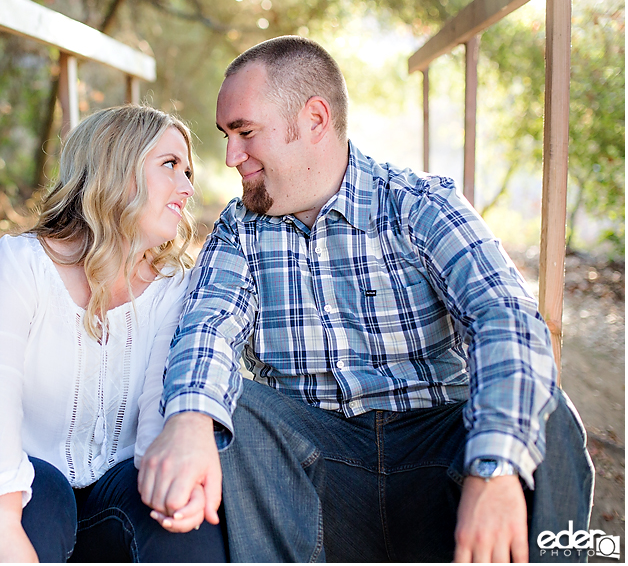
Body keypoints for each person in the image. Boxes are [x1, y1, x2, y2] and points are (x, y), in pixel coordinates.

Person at [138, 36, 594, 562]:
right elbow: (207, 325)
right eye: (226, 136)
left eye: (244, 132)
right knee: (225, 408)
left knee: (546, 413)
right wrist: (190, 419)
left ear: (314, 119)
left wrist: (494, 466)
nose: (230, 157)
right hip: (310, 480)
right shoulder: (240, 231)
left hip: (438, 457)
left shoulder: (420, 204)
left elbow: (504, 319)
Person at [0, 105, 227, 563]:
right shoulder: (18, 264)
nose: (188, 188)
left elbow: (160, 414)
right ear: (116, 167)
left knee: (176, 518)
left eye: (189, 171)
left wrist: (177, 486)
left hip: (99, 504)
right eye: (170, 165)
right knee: (45, 491)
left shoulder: (175, 287)